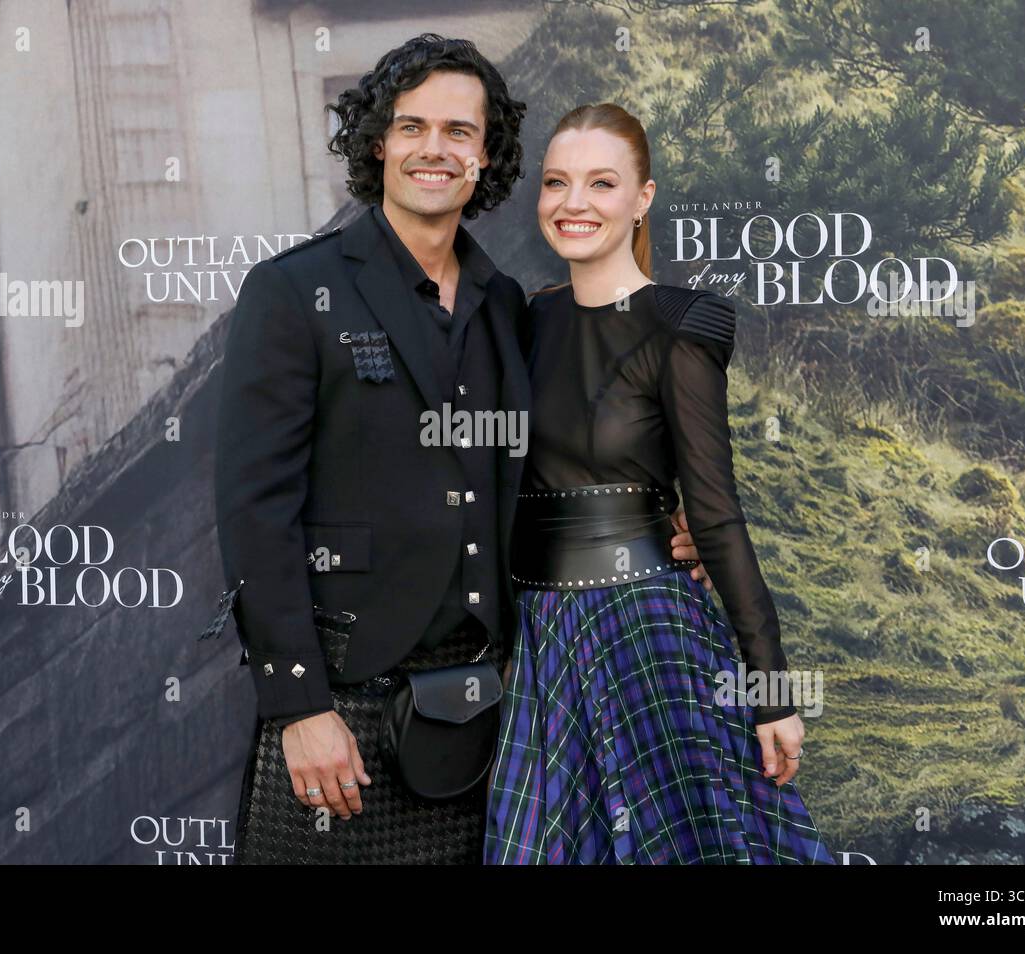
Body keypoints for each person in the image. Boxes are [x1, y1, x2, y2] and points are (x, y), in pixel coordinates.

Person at [212, 37, 707, 864]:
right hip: (346, 709)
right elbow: (254, 512)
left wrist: (658, 526)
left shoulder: (505, 304)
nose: (434, 149)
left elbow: (551, 466)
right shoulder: (293, 292)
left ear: (487, 155)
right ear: (379, 142)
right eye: (412, 127)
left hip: (498, 715)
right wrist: (298, 707)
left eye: (458, 131)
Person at [484, 103, 837, 864]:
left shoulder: (680, 325)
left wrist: (771, 691)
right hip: (541, 643)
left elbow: (715, 513)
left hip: (646, 626)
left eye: (601, 183)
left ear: (642, 198)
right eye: (556, 183)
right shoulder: (520, 321)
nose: (573, 203)